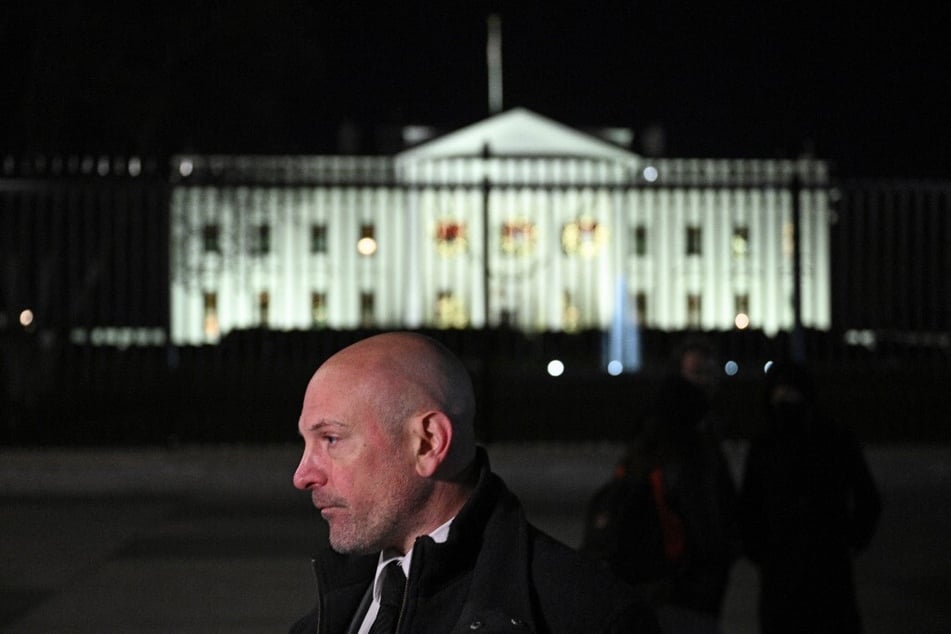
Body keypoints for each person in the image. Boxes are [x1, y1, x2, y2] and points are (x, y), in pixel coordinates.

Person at [290, 331, 660, 633]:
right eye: (307, 443)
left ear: (429, 442)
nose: (302, 475)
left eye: (331, 440)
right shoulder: (329, 614)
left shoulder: (588, 615)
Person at [583, 341, 740, 633]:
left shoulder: (656, 437)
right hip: (681, 590)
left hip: (659, 585)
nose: (704, 381)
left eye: (708, 373)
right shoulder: (686, 444)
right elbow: (706, 523)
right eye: (697, 373)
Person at [738, 361, 881, 634]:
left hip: (813, 567)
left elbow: (868, 499)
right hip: (802, 567)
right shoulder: (773, 443)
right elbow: (749, 505)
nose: (785, 401)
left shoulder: (828, 439)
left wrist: (849, 540)